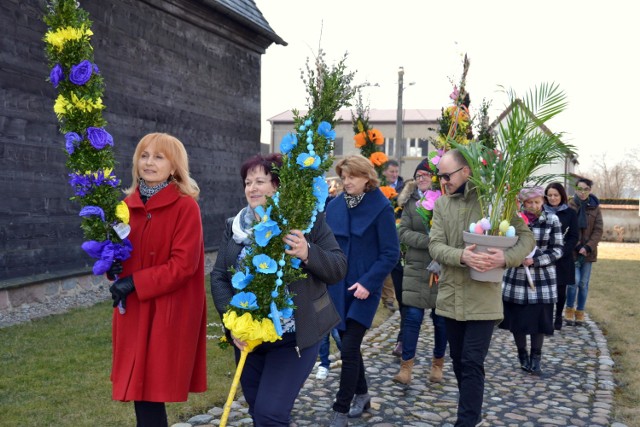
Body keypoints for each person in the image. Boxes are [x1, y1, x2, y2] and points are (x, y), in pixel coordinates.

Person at [210, 153, 347, 426]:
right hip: (249, 337)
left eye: (260, 181)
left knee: (270, 413)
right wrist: (233, 324)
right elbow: (219, 277)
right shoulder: (234, 226)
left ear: (278, 185)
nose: (252, 188)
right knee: (257, 410)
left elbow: (338, 267)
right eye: (248, 182)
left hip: (293, 337)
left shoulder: (307, 221)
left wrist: (308, 252)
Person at [428, 149, 534, 427]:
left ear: (466, 172)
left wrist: (506, 257)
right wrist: (461, 256)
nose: (442, 182)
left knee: (472, 361)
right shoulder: (441, 205)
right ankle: (471, 414)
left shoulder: (496, 203)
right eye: (439, 176)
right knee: (459, 361)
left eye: (446, 175)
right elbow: (435, 245)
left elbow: (526, 239)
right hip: (450, 297)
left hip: (483, 299)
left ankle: (465, 422)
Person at [108, 133, 207, 427]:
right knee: (142, 395)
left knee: (151, 393)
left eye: (159, 157)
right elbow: (119, 257)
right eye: (144, 155)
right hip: (135, 311)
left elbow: (183, 265)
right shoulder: (125, 206)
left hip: (168, 311)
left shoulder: (185, 207)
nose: (149, 162)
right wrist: (111, 265)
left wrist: (135, 282)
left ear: (174, 167)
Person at [325, 155, 400, 427]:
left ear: (366, 177)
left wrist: (369, 283)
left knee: (349, 347)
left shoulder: (381, 207)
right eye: (343, 177)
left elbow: (391, 253)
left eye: (352, 177)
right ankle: (363, 394)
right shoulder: (334, 206)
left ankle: (340, 409)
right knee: (348, 346)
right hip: (338, 286)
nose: (346, 182)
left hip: (365, 288)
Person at [392, 158, 448, 385]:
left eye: (425, 174)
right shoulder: (410, 202)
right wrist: (428, 241)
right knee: (412, 317)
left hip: (441, 267)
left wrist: (439, 246)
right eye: (418, 176)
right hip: (416, 266)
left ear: (434, 177)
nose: (421, 178)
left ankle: (438, 363)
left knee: (441, 319)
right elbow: (402, 232)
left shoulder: (445, 201)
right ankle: (406, 367)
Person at [499, 186, 564, 375]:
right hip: (517, 278)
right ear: (523, 203)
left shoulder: (552, 220)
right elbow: (505, 243)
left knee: (539, 321)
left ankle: (536, 357)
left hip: (541, 279)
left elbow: (558, 249)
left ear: (543, 201)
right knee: (518, 321)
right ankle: (522, 355)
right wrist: (515, 257)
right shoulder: (515, 221)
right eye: (529, 202)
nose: (534, 206)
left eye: (537, 202)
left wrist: (535, 261)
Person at [565, 178, 603, 326]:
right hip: (573, 251)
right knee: (573, 282)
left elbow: (598, 230)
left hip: (588, 253)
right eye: (580, 189)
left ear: (590, 190)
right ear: (575, 189)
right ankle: (569, 309)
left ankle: (580, 312)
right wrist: (576, 245)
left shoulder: (596, 208)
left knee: (583, 283)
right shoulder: (570, 206)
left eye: (586, 189)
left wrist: (587, 247)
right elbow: (566, 229)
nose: (582, 192)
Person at [544, 182, 579, 330]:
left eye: (555, 195)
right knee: (545, 289)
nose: (553, 198)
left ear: (561, 196)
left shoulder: (570, 213)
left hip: (563, 258)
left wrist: (562, 252)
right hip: (545, 256)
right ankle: (545, 319)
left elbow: (574, 236)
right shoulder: (541, 211)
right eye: (550, 195)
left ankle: (558, 316)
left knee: (560, 290)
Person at [381, 160, 404, 312]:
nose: (394, 175)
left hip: (398, 226)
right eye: (391, 172)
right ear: (384, 172)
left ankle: (391, 296)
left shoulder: (402, 188)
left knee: (394, 262)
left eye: (396, 172)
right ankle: (386, 297)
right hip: (383, 226)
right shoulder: (379, 188)